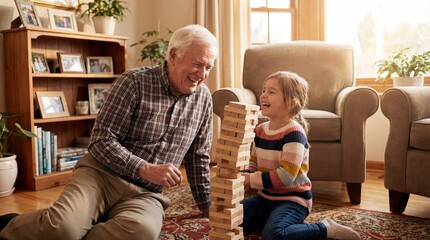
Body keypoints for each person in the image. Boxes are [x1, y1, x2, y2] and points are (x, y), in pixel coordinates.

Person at [0, 24, 218, 240]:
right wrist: (144, 168)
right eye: (198, 64)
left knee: (142, 231)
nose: (202, 74)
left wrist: (206, 205)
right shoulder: (133, 82)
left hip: (146, 194)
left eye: (209, 67)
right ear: (173, 55)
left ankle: (78, 228)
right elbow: (100, 141)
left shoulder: (204, 98)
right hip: (100, 176)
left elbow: (198, 156)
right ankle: (8, 225)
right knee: (62, 228)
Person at [240, 71, 360, 240]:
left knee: (273, 235)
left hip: (293, 201)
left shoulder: (294, 133)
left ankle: (325, 228)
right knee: (231, 219)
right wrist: (242, 177)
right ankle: (287, 226)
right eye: (263, 90)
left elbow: (285, 176)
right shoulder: (260, 130)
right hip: (265, 198)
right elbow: (254, 162)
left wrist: (250, 180)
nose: (263, 95)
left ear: (291, 103)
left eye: (271, 92)